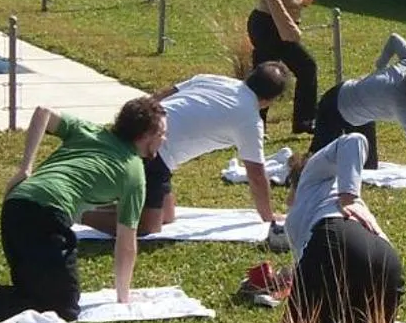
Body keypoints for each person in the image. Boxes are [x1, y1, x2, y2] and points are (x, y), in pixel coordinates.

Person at [0, 99, 166, 323]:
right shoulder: (134, 174)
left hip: (15, 204)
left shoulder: (89, 130)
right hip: (45, 215)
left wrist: (26, 169)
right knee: (63, 308)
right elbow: (126, 243)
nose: (164, 139)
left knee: (34, 291)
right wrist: (123, 298)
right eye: (161, 134)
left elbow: (43, 112)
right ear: (145, 136)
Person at [81, 64, 291, 237]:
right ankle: (76, 212)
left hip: (144, 135)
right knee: (148, 226)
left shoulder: (213, 78)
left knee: (167, 215)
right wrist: (268, 215)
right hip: (153, 150)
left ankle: (96, 204)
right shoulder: (249, 120)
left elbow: (158, 97)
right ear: (271, 100)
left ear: (250, 75)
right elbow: (255, 174)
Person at [273, 132, 405, 323]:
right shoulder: (320, 205)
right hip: (386, 261)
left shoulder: (311, 178)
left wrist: (349, 197)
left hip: (335, 241)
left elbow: (354, 139)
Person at [313, 32, 406, 174]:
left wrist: (381, 64)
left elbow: (394, 38)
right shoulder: (399, 99)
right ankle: (290, 171)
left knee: (369, 168)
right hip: (334, 108)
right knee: (316, 163)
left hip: (361, 117)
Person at [250, 0, 321, 135]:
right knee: (292, 71)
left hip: (276, 25)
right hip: (268, 26)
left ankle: (300, 122)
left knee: (267, 76)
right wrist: (289, 28)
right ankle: (258, 124)